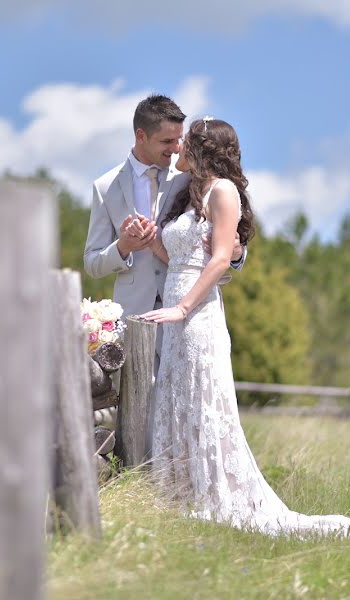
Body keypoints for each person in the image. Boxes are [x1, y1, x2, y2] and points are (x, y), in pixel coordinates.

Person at [141, 117, 350, 546]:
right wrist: (149, 240)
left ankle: (215, 495)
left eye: (186, 142)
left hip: (196, 316)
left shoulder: (222, 192)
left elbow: (222, 259)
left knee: (203, 401)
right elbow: (178, 257)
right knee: (179, 399)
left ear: (204, 148)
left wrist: (183, 307)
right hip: (176, 317)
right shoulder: (187, 198)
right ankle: (176, 493)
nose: (179, 149)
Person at [83, 95, 245, 452]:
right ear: (141, 135)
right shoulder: (106, 187)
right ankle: (139, 479)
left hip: (189, 309)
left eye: (179, 140)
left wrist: (235, 254)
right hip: (136, 314)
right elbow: (93, 262)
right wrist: (123, 246)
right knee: (138, 406)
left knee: (189, 399)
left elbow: (224, 236)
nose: (176, 148)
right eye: (167, 141)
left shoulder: (191, 175)